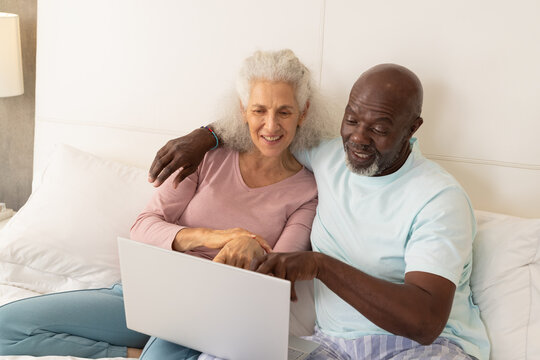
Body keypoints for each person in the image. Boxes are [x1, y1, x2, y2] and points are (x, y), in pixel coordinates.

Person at [0, 49, 337, 359]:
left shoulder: (306, 192)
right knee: (6, 327)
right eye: (259, 110)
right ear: (242, 111)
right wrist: (217, 237)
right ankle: (130, 354)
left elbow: (280, 276)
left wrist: (253, 250)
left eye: (284, 112)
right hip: (148, 294)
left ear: (303, 113)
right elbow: (143, 227)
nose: (271, 125)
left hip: (214, 314)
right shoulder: (207, 157)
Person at [148, 63, 491, 360]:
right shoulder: (329, 155)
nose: (358, 138)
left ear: (412, 129)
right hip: (332, 346)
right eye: (352, 119)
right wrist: (204, 136)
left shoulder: (439, 198)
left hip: (422, 349)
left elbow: (424, 322)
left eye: (379, 129)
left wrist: (320, 266)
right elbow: (268, 128)